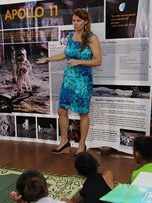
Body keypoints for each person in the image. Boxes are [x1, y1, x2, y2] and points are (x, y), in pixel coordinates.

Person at [37, 9, 102, 155]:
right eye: (73, 20)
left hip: (82, 81)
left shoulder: (92, 38)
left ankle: (81, 145)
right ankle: (64, 142)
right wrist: (47, 59)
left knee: (83, 113)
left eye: (78, 20)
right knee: (61, 110)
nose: (75, 23)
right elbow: (65, 54)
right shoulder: (71, 36)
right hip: (68, 80)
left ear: (85, 22)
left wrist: (79, 61)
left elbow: (98, 61)